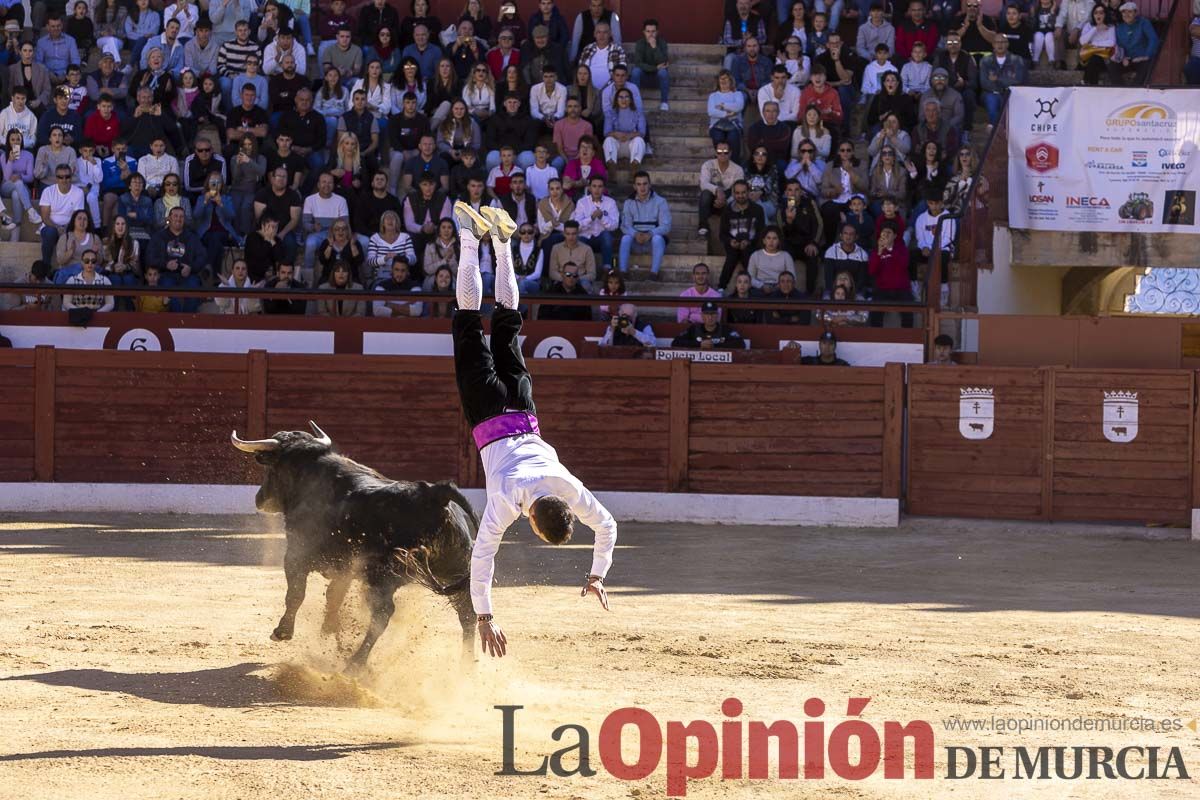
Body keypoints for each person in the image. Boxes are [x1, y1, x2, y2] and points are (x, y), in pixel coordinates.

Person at [449, 201, 615, 658]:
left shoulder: (570, 487)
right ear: (537, 527)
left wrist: (599, 572)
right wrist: (485, 616)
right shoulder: (505, 501)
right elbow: (481, 560)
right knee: (468, 324)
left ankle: (502, 243)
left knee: (506, 325)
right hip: (487, 416)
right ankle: (468, 236)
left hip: (524, 410)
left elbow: (607, 526)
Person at [618, 171, 671, 280]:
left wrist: (650, 234)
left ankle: (654, 274)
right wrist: (635, 234)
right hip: (635, 241)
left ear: (650, 184)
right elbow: (625, 225)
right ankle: (623, 273)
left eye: (645, 184)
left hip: (653, 243)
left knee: (657, 239)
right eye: (639, 184)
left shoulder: (661, 201)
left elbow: (666, 226)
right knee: (625, 238)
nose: (642, 187)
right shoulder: (629, 202)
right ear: (634, 186)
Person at [868, 221, 912, 327]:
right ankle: (876, 337)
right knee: (875, 313)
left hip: (901, 289)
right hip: (882, 289)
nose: (886, 235)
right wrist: (879, 252)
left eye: (889, 233)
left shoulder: (902, 249)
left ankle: (908, 338)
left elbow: (903, 264)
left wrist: (889, 249)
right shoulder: (875, 251)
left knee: (909, 313)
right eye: (884, 232)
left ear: (895, 236)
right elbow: (872, 271)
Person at [979, 35, 1027, 126]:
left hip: (1011, 93)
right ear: (993, 44)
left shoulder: (1017, 60)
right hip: (991, 92)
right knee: (992, 102)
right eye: (997, 42)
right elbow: (984, 82)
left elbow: (1019, 81)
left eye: (1003, 42)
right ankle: (995, 131)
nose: (1000, 45)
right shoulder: (985, 60)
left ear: (1007, 44)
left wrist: (997, 79)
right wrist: (1007, 81)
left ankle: (1001, 130)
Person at [1113, 2, 1159, 86]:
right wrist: (1122, 57)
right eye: (1124, 12)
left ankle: (1135, 89)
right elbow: (1118, 45)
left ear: (1135, 12)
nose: (1126, 14)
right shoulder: (1120, 28)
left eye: (1130, 12)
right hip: (1128, 59)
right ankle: (1119, 89)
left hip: (1143, 58)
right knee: (1112, 65)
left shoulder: (1143, 23)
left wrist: (1146, 56)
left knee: (1147, 66)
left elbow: (1153, 39)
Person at [631, 18, 669, 111]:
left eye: (653, 31)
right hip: (643, 76)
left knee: (663, 72)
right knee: (635, 71)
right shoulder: (640, 43)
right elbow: (638, 63)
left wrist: (654, 47)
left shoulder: (662, 43)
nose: (650, 34)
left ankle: (664, 102)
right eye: (648, 31)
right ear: (644, 32)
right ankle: (635, 102)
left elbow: (663, 62)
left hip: (657, 78)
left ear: (657, 32)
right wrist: (655, 68)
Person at [671, 301, 743, 349]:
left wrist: (715, 345)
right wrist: (699, 344)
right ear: (702, 316)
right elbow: (675, 342)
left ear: (717, 315)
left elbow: (740, 344)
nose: (710, 317)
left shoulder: (725, 329)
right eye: (707, 314)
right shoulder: (694, 329)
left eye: (713, 314)